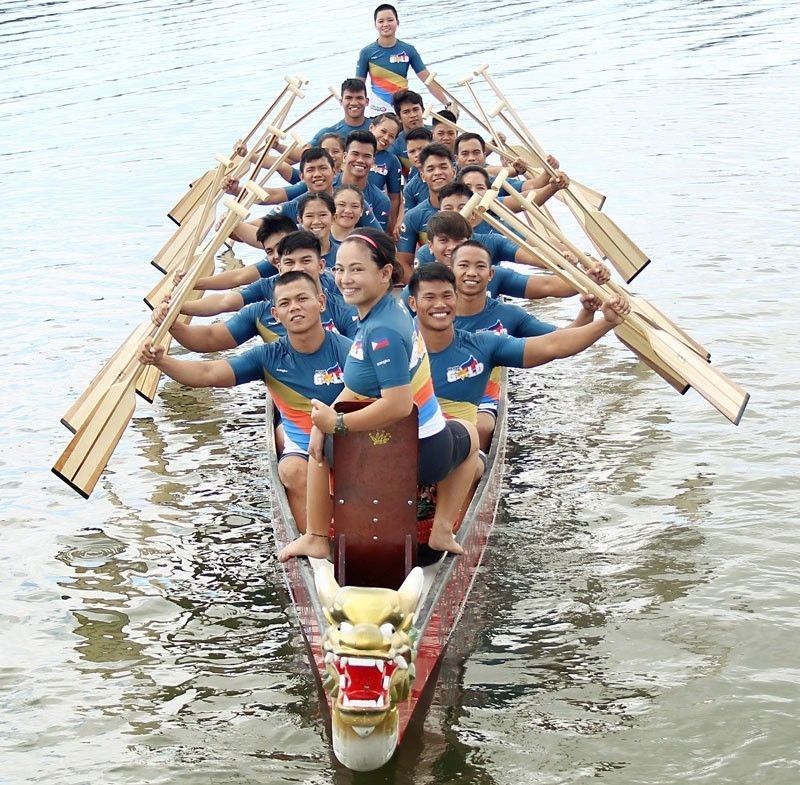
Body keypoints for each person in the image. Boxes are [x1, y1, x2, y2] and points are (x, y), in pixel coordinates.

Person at [278, 228, 479, 562]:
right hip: (422, 446)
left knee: (317, 453)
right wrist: (323, 421)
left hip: (409, 455)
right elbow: (359, 385)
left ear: (386, 273)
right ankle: (443, 527)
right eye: (340, 269)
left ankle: (315, 536)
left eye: (357, 269)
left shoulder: (381, 330)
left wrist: (337, 423)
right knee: (468, 435)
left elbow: (399, 405)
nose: (344, 278)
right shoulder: (390, 310)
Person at [138, 271, 352, 530]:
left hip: (349, 440)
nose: (294, 307)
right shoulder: (268, 358)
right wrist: (161, 360)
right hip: (303, 450)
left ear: (321, 302)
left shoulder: (348, 351)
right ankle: (316, 542)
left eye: (302, 299)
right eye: (285, 303)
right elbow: (208, 373)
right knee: (291, 470)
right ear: (275, 315)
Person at [407, 263, 630, 423]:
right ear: (412, 303)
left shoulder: (483, 344)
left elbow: (553, 345)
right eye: (429, 298)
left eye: (447, 296)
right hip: (400, 444)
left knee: (480, 432)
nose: (440, 305)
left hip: (457, 446)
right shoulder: (394, 346)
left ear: (456, 298)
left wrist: (606, 322)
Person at [450, 240, 601, 448]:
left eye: (480, 266)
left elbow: (561, 340)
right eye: (464, 265)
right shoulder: (433, 311)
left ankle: (474, 465)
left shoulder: (508, 315)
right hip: (438, 386)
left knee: (482, 427)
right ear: (450, 271)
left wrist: (589, 310)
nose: (472, 273)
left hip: (482, 391)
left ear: (491, 274)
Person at [156, 231, 358, 342]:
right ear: (278, 267)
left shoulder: (340, 296)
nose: (298, 268)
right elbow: (222, 312)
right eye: (290, 263)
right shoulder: (263, 303)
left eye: (306, 261)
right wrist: (176, 309)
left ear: (321, 265)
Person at [356, 3, 447, 114]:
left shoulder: (408, 50)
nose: (385, 24)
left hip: (403, 110)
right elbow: (358, 87)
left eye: (390, 20)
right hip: (378, 112)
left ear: (397, 22)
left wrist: (447, 103)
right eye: (381, 21)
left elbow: (428, 80)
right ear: (375, 25)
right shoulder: (366, 52)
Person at [188, 214, 296, 290]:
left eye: (280, 247)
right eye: (269, 251)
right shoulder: (269, 283)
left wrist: (235, 225)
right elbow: (237, 278)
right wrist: (191, 282)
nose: (277, 255)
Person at [396, 143, 457, 276]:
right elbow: (403, 263)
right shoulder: (413, 217)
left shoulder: (475, 207)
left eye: (443, 167)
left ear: (454, 171)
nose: (437, 173)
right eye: (430, 169)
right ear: (422, 176)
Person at [333, 131, 392, 231]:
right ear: (344, 157)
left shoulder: (381, 201)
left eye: (367, 156)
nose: (360, 160)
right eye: (355, 154)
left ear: (373, 161)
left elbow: (378, 241)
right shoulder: (327, 185)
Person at [308, 79, 373, 147]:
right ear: (341, 101)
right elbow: (304, 151)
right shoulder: (329, 133)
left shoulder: (378, 129)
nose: (354, 103)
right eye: (348, 98)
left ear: (367, 101)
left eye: (359, 98)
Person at [368, 113, 403, 232]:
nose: (386, 138)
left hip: (375, 214)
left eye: (391, 136)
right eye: (383, 131)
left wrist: (391, 226)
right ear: (372, 128)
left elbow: (394, 198)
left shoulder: (392, 161)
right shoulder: (351, 150)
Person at [390, 89, 432, 175]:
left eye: (415, 109)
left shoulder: (437, 134)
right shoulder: (395, 146)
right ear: (398, 118)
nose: (413, 115)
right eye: (406, 112)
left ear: (423, 110)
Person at [402, 127, 433, 209]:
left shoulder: (451, 174)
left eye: (421, 149)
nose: (417, 155)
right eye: (412, 151)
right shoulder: (409, 189)